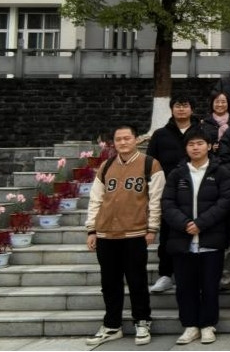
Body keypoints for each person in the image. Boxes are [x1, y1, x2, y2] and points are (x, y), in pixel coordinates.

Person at [84, 124, 165, 347]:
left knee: (137, 280)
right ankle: (112, 325)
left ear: (136, 139)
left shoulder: (150, 164)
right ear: (114, 142)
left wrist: (152, 228)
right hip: (106, 234)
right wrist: (91, 229)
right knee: (109, 283)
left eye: (127, 138)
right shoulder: (106, 165)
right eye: (118, 139)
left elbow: (156, 200)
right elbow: (96, 199)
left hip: (135, 232)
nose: (122, 142)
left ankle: (142, 321)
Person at [161, 128, 230, 345]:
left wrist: (201, 223)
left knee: (210, 286)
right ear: (185, 148)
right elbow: (167, 203)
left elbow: (225, 202)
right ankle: (190, 325)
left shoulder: (221, 172)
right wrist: (185, 224)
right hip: (182, 240)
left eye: (200, 143)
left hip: (211, 239)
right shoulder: (177, 173)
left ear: (209, 146)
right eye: (191, 144)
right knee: (185, 287)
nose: (195, 148)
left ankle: (208, 325)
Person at [146, 94, 200, 294]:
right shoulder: (160, 134)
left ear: (192, 109)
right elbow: (150, 163)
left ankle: (194, 275)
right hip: (168, 193)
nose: (181, 109)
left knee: (196, 232)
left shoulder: (201, 132)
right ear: (171, 109)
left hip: (197, 191)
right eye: (177, 105)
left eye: (185, 105)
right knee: (168, 234)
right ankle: (166, 274)